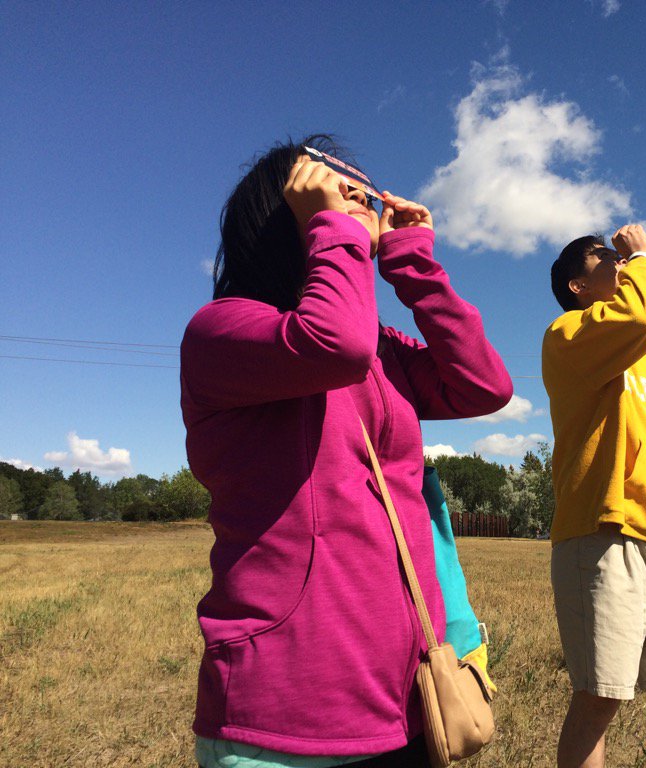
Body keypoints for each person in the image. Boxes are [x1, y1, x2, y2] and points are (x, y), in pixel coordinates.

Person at [181, 135, 512, 768]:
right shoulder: (220, 332)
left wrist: (414, 263)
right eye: (340, 193)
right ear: (291, 216)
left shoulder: (376, 348)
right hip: (282, 715)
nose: (362, 206)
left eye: (364, 195)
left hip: (405, 699)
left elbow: (484, 385)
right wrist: (332, 228)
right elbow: (334, 345)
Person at [542, 224, 646, 768]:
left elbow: (641, 328)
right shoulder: (567, 335)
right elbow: (639, 316)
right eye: (603, 258)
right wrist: (641, 256)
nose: (616, 264)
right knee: (600, 697)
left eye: (619, 258)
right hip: (603, 532)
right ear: (576, 285)